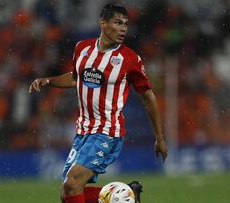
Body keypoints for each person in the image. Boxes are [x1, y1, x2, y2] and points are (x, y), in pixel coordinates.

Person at [29, 3, 168, 203]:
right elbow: (76, 78)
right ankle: (127, 193)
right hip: (83, 131)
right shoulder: (82, 48)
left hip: (107, 131)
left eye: (126, 24)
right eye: (118, 23)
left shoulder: (130, 59)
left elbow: (149, 96)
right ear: (103, 23)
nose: (123, 29)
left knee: (72, 184)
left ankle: (126, 194)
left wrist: (160, 137)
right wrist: (48, 81)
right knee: (67, 193)